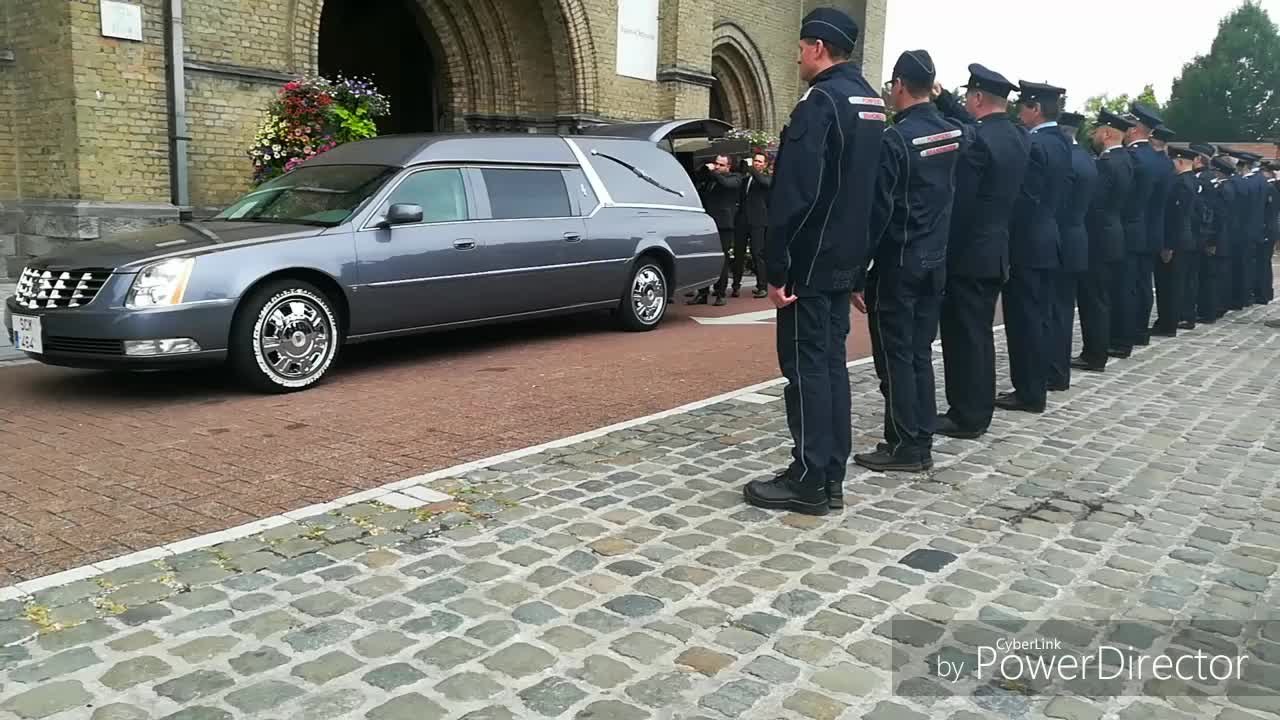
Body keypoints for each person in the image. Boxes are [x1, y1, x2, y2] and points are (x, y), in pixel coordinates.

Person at [742, 7, 884, 516]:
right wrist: (862, 265)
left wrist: (777, 269)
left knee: (806, 371)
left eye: (802, 47)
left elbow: (795, 194)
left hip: (810, 264)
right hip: (845, 260)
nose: (798, 55)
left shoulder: (820, 102)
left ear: (819, 47)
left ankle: (808, 479)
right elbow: (878, 197)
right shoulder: (873, 104)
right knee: (831, 370)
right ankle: (829, 477)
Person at [850, 49, 960, 473]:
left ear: (897, 86)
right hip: (935, 258)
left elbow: (879, 211)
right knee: (918, 354)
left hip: (898, 262)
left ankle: (907, 445)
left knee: (895, 358)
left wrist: (858, 271)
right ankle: (920, 434)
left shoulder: (895, 139)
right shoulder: (953, 134)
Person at [932, 64, 1029, 438]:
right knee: (979, 335)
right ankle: (978, 407)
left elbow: (963, 206)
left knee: (963, 337)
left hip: (967, 255)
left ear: (976, 98)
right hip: (995, 250)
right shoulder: (1019, 136)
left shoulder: (977, 142)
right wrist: (945, 100)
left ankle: (967, 414)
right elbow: (974, 126)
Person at [997, 80, 1070, 414]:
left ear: (1036, 109)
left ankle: (1028, 391)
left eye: (1023, 107)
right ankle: (1035, 384)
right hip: (1048, 239)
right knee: (1039, 318)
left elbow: (1023, 198)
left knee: (1023, 321)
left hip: (1026, 242)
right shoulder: (1062, 143)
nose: (1020, 113)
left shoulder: (1036, 144)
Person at [1073, 109, 1133, 372]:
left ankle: (1094, 353)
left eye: (1097, 130)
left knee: (1093, 299)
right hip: (1114, 234)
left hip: (1098, 237)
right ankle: (1098, 348)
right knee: (1103, 296)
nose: (1094, 135)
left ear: (1107, 133)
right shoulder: (1126, 160)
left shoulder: (1107, 164)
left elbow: (1094, 203)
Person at [1047, 111, 1095, 390]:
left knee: (1053, 312)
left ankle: (1053, 372)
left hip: (1061, 240)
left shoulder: (1067, 160)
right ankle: (1058, 370)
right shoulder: (1086, 158)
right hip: (1078, 238)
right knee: (1063, 311)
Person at [1126, 106, 1173, 345]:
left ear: (1134, 129)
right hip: (1153, 230)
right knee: (1144, 284)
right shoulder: (1163, 162)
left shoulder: (1133, 158)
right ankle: (1140, 330)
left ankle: (1127, 331)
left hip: (1132, 229)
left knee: (1127, 285)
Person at [1153, 145, 1199, 335]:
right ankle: (1169, 320)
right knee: (1177, 283)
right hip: (1186, 238)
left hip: (1176, 240)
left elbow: (1175, 217)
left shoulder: (1180, 183)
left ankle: (1167, 324)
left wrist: (1168, 245)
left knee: (1169, 285)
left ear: (1179, 162)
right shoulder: (1193, 181)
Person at [688, 154, 741, 306]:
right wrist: (705, 169)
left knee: (722, 259)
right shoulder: (711, 178)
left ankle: (720, 293)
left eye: (721, 165)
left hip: (724, 225)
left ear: (728, 167)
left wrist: (712, 173)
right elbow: (697, 177)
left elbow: (726, 184)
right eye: (716, 164)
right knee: (705, 257)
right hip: (708, 223)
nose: (717, 167)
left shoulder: (735, 177)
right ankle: (703, 293)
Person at [1185, 143, 1218, 328]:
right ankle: (1205, 311)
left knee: (1197, 276)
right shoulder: (1210, 177)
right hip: (1205, 233)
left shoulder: (1203, 179)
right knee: (1203, 275)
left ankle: (1201, 312)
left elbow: (1205, 210)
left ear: (1198, 159)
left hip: (1200, 233)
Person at [734, 153, 773, 299]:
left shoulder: (767, 178)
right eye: (755, 161)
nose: (756, 163)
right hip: (742, 220)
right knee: (739, 253)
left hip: (758, 221)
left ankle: (762, 286)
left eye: (759, 162)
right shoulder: (746, 179)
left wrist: (752, 169)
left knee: (758, 253)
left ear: (764, 165)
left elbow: (764, 183)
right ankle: (736, 285)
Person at [1211, 153, 1241, 318]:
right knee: (1223, 272)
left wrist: (1213, 239)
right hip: (1229, 235)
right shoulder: (1232, 186)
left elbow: (1220, 215)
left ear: (1218, 171)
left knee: (1218, 273)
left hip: (1222, 235)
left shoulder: (1224, 189)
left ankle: (1218, 305)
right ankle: (1221, 303)